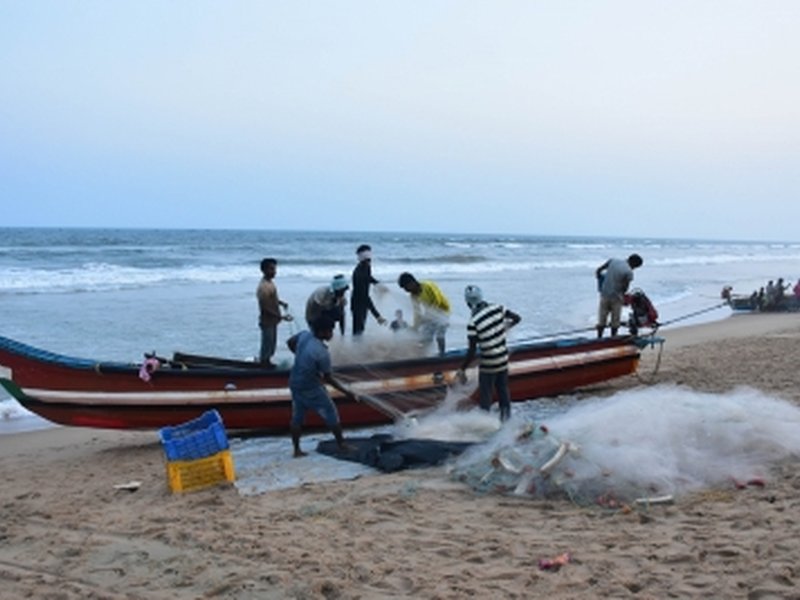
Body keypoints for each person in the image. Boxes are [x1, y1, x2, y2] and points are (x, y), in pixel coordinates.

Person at [287, 316, 357, 457]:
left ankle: (296, 450)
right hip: (310, 386)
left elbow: (290, 342)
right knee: (330, 411)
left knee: (297, 416)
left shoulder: (305, 335)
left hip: (294, 382)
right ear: (322, 332)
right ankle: (342, 444)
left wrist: (300, 357)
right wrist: (347, 392)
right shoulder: (322, 352)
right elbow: (328, 378)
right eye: (330, 331)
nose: (332, 334)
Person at [456, 285, 521, 421]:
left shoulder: (473, 323)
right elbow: (517, 318)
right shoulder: (498, 308)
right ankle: (506, 419)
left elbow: (472, 351)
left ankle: (484, 423)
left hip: (489, 362)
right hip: (503, 358)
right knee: (503, 389)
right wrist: (504, 328)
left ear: (468, 303)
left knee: (486, 394)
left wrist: (462, 369)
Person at [397, 272, 451, 355]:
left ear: (412, 282)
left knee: (440, 336)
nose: (406, 290)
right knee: (426, 337)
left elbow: (437, 301)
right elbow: (417, 312)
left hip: (443, 312)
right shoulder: (413, 296)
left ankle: (442, 355)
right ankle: (426, 355)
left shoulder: (428, 286)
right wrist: (415, 327)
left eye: (406, 287)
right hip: (430, 314)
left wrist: (428, 315)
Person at [595, 253, 643, 338]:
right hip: (616, 298)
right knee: (615, 321)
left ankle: (599, 338)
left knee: (602, 319)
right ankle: (613, 338)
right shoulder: (629, 272)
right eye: (635, 267)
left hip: (604, 295)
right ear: (634, 264)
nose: (634, 269)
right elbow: (624, 288)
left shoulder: (613, 261)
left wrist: (601, 281)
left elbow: (598, 270)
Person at [256, 258, 292, 367]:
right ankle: (264, 365)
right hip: (267, 320)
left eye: (274, 269)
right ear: (264, 270)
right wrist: (281, 317)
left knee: (272, 344)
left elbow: (272, 298)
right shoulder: (263, 287)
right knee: (267, 345)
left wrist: (281, 303)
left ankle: (267, 362)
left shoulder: (270, 283)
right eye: (271, 269)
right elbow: (265, 307)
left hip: (273, 320)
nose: (274, 272)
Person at [351, 244, 387, 335]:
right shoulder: (359, 273)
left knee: (361, 327)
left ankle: (358, 346)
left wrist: (378, 284)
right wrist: (377, 316)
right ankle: (355, 347)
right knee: (358, 329)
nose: (370, 261)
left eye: (370, 259)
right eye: (368, 260)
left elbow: (369, 278)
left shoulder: (366, 267)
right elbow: (365, 297)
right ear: (363, 259)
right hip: (357, 302)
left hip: (363, 299)